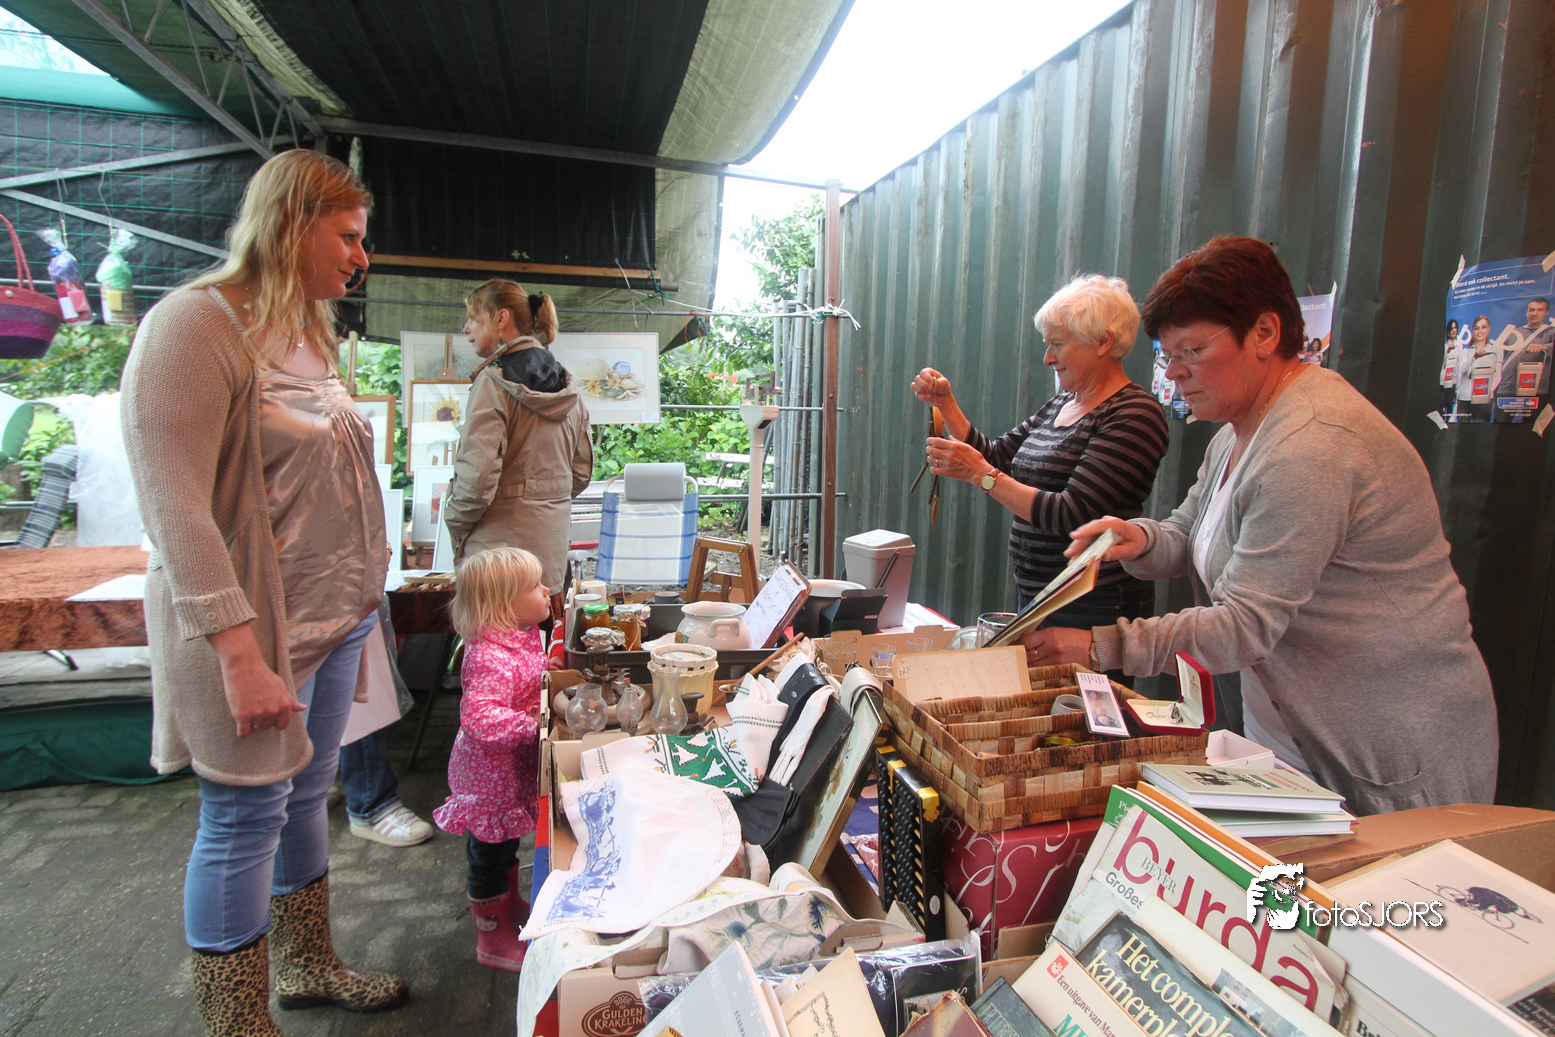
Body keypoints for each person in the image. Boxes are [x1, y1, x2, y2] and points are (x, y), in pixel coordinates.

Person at [1021, 235, 1498, 816]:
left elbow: (1243, 625)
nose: (1175, 372)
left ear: (1265, 333)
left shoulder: (1311, 446)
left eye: (1193, 350)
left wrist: (1102, 645)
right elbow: (1191, 530)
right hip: (1294, 731)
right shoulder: (1237, 430)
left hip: (1384, 748)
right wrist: (1139, 538)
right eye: (1168, 355)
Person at [121, 149, 407, 1034]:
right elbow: (175, 507)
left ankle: (308, 963)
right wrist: (238, 655)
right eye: (347, 235)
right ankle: (238, 1022)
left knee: (305, 794)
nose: (360, 257)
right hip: (251, 632)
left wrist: (363, 599)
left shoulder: (307, 330)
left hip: (333, 619)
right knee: (245, 816)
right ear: (290, 223)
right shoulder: (192, 326)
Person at [912, 274, 1169, 631]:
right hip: (1039, 595)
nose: (1048, 358)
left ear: (1103, 341)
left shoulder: (1134, 414)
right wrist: (946, 403)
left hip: (1093, 603)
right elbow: (998, 457)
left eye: (1057, 344)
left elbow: (1072, 513)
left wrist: (979, 474)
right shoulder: (1061, 404)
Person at [433, 546, 551, 973]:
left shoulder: (517, 638)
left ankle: (510, 905)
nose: (546, 590)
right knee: (487, 857)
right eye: (535, 587)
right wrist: (533, 726)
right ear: (504, 605)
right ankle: (491, 937)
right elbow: (480, 717)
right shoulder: (488, 656)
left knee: (503, 849)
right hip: (487, 781)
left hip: (505, 774)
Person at [443, 279, 592, 612]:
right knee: (540, 643)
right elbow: (581, 473)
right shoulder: (568, 385)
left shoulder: (493, 382)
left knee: (494, 644)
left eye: (473, 319)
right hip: (548, 561)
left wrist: (454, 522)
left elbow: (477, 480)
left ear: (501, 318)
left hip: (498, 562)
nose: (466, 329)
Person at [1492, 297, 1553, 410]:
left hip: (1536, 390)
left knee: (1530, 421)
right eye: (1531, 310)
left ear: (1546, 312)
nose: (1534, 313)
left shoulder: (1551, 331)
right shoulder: (1513, 333)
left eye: (1540, 310)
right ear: (1526, 312)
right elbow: (1497, 356)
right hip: (1508, 388)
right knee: (1501, 419)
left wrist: (1545, 346)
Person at [1454, 314, 1498, 422]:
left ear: (1488, 329)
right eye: (1477, 328)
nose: (1480, 331)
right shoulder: (1466, 351)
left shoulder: (1495, 351)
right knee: (1462, 430)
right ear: (1473, 331)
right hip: (1465, 399)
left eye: (1484, 327)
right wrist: (1474, 357)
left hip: (1483, 400)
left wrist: (1488, 392)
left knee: (1481, 429)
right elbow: (1461, 370)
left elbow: (1498, 375)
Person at [1438, 319, 1460, 416]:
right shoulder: (1444, 346)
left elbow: (1459, 365)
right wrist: (1448, 350)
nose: (1454, 330)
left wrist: (1457, 387)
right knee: (1441, 406)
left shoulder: (1460, 346)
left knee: (1450, 407)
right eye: (1451, 328)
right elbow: (1442, 364)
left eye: (1455, 327)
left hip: (1452, 382)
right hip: (1443, 382)